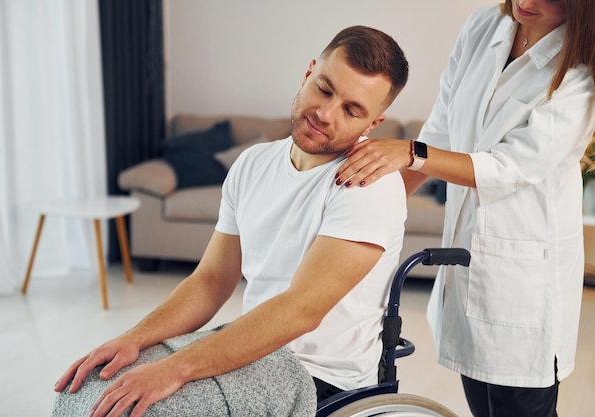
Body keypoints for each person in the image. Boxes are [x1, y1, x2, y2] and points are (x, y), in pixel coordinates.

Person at [53, 25, 409, 417]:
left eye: (351, 110)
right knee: (86, 389)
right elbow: (211, 280)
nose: (325, 114)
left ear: (372, 125)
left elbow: (301, 310)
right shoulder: (253, 163)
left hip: (317, 377)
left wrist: (173, 369)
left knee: (144, 410)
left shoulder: (368, 183)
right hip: (251, 350)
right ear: (308, 73)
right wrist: (135, 339)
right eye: (324, 89)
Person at [335, 1, 595, 417]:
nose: (525, 2)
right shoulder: (486, 25)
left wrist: (410, 152)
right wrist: (371, 208)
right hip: (470, 267)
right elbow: (443, 126)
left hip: (527, 284)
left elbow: (510, 166)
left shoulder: (582, 70)